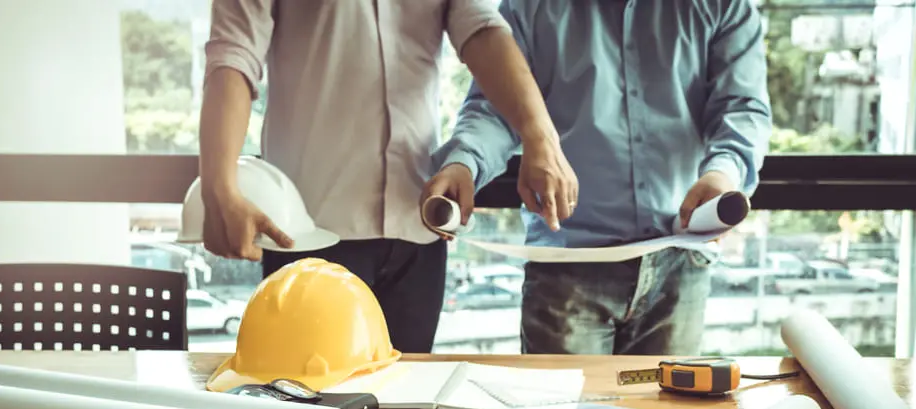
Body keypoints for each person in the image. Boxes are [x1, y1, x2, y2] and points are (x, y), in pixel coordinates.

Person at [197, 0, 578, 354]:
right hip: (310, 234)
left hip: (417, 232)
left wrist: (541, 137)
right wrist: (219, 188)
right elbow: (234, 53)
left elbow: (480, 29)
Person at [424, 0, 772, 355]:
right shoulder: (528, 8)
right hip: (567, 265)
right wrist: (464, 162)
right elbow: (495, 108)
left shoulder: (723, 6)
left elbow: (742, 107)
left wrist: (724, 172)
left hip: (678, 261)